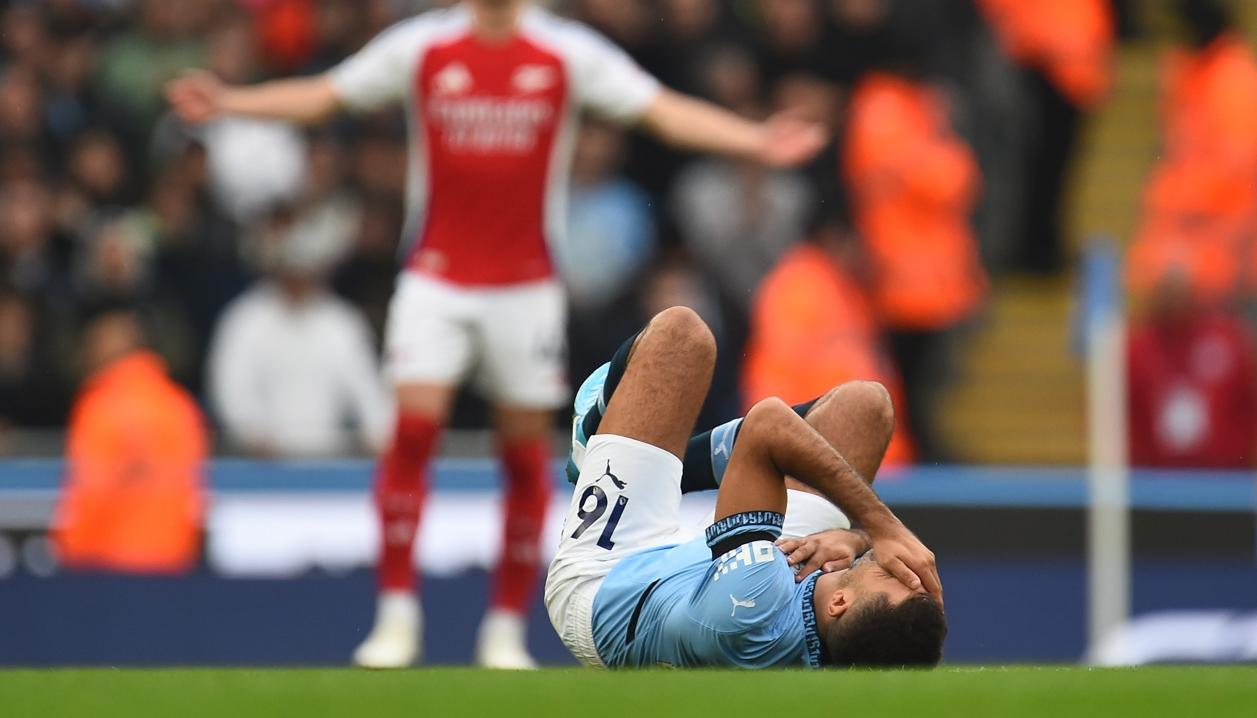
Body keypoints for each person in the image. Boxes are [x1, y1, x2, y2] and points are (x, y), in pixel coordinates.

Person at [165, 0, 826, 669]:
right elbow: (328, 94)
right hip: (436, 277)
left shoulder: (564, 53)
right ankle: (395, 616)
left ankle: (504, 630)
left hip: (524, 285)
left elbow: (656, 108)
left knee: (519, 454)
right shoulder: (423, 47)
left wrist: (753, 140)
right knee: (412, 437)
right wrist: (230, 103)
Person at [547, 307, 944, 668]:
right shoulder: (838, 626)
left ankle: (600, 443)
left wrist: (883, 529)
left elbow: (767, 424)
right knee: (864, 408)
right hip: (719, 580)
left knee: (682, 336)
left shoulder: (756, 602)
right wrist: (855, 539)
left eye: (889, 578)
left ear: (841, 602)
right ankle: (659, 465)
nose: (898, 568)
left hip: (612, 588)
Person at [53, 302, 207, 574]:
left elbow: (90, 494)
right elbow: (194, 494)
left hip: (104, 565)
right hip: (171, 564)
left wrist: (69, 555)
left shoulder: (99, 407)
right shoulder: (179, 405)